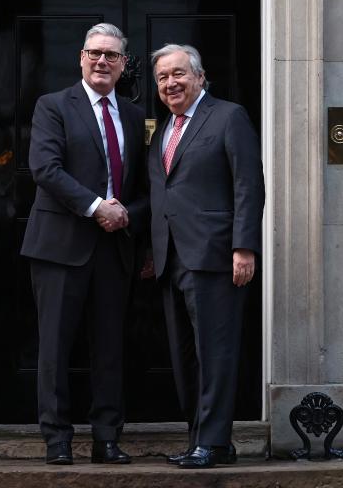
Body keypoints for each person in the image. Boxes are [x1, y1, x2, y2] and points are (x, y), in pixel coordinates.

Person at [21, 23, 148, 465]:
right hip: (60, 246)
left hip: (116, 248)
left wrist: (129, 213)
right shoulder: (53, 106)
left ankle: (106, 439)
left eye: (112, 56)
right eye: (95, 53)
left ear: (122, 64)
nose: (102, 61)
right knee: (54, 347)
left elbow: (146, 183)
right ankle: (57, 441)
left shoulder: (133, 115)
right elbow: (45, 168)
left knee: (110, 347)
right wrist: (98, 207)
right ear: (80, 57)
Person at [148, 44, 265, 469]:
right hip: (171, 259)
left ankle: (213, 443)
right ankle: (203, 438)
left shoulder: (228, 116)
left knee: (216, 353)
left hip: (216, 256)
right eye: (162, 78)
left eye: (178, 74)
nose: (170, 83)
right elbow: (163, 192)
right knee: (186, 357)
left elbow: (248, 184)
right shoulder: (164, 128)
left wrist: (244, 246)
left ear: (199, 77)